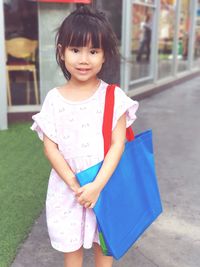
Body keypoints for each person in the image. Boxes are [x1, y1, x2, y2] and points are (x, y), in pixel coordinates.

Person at [31, 6, 139, 267]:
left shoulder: (114, 97)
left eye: (93, 51)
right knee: (72, 248)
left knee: (104, 243)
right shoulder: (54, 99)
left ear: (104, 56)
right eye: (75, 49)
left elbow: (118, 144)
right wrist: (76, 186)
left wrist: (97, 186)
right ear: (62, 52)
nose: (83, 59)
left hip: (105, 185)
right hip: (69, 189)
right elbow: (51, 148)